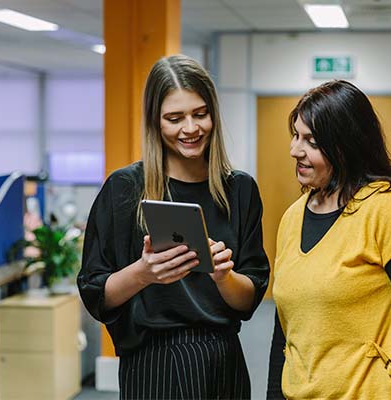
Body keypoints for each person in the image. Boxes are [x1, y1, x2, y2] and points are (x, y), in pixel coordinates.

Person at [78, 54, 269, 399]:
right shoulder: (124, 189)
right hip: (154, 360)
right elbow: (95, 293)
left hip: (222, 358)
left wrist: (224, 276)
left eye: (200, 114)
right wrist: (143, 272)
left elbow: (248, 299)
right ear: (155, 122)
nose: (191, 129)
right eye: (174, 118)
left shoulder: (239, 190)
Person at [266, 80, 391, 400]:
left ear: (345, 147)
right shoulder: (292, 218)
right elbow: (284, 331)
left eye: (311, 141)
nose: (295, 150)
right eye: (296, 136)